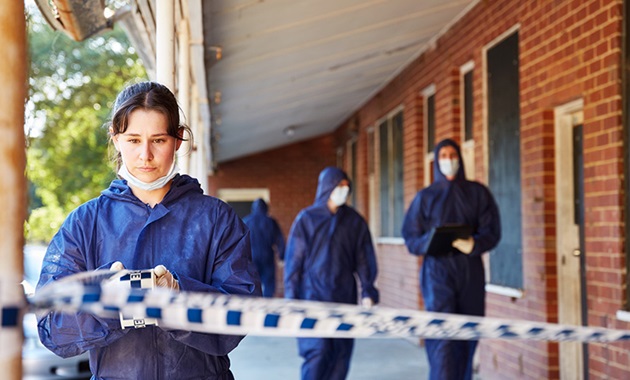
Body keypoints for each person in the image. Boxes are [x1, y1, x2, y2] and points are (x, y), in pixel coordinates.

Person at [35, 81, 261, 379]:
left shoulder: (216, 219)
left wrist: (179, 296)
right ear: (115, 139)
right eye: (132, 140)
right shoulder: (85, 223)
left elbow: (242, 314)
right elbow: (51, 328)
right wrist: (103, 305)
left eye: (158, 140)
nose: (145, 155)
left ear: (178, 140)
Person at [402, 138, 501, 380]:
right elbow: (410, 238)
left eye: (452, 154)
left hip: (470, 272)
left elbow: (493, 231)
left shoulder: (478, 193)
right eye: (444, 155)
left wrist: (474, 244)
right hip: (437, 273)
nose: (449, 160)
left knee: (467, 336)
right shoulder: (425, 197)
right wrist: (432, 241)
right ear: (436, 161)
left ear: (460, 158)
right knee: (442, 341)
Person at [284, 166, 379, 380]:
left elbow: (364, 259)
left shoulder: (355, 222)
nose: (344, 190)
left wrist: (368, 290)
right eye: (339, 185)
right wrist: (291, 299)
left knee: (340, 357)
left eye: (347, 186)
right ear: (327, 187)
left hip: (344, 297)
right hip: (312, 298)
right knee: (317, 354)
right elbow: (294, 263)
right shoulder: (307, 219)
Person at [242, 198, 286, 298]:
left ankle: (255, 304)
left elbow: (240, 242)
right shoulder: (271, 222)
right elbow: (280, 239)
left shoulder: (246, 221)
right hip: (268, 256)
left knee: (252, 282)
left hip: (251, 256)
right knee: (269, 282)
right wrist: (282, 256)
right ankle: (268, 304)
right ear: (266, 208)